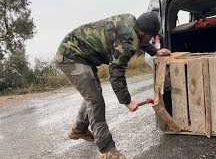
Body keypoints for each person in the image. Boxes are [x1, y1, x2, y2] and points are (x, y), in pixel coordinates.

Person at [54, 12, 171, 159]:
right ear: (144, 32)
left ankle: (79, 129)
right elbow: (116, 73)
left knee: (93, 94)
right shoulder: (127, 43)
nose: (151, 39)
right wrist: (127, 101)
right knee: (95, 100)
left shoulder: (132, 23)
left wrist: (155, 51)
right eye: (151, 36)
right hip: (71, 56)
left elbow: (140, 40)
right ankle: (107, 150)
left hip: (81, 54)